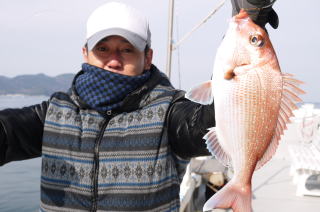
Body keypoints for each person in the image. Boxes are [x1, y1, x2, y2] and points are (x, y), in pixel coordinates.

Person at [0, 1, 278, 211]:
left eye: (127, 49)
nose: (114, 59)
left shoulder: (168, 112)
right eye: (103, 48)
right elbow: (6, 133)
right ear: (85, 53)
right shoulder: (53, 114)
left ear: (148, 57)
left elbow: (210, 120)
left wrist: (252, 15)